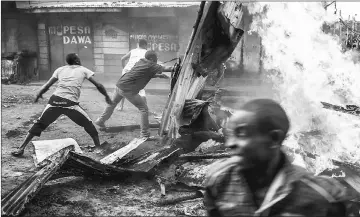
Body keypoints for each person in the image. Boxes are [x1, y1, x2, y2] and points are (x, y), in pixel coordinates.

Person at [204, 99, 351, 217]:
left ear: (274, 138)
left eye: (242, 133)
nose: (230, 144)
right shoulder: (218, 179)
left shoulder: (322, 195)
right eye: (231, 134)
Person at [11, 53, 112, 157]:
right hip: (69, 104)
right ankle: (99, 149)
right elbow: (98, 85)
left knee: (39, 124)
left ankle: (21, 148)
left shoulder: (60, 69)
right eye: (78, 57)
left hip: (54, 101)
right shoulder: (83, 69)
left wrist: (39, 94)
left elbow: (47, 85)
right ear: (77, 60)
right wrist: (106, 96)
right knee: (89, 125)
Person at [94, 50, 171, 139]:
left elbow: (142, 73)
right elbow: (167, 69)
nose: (157, 59)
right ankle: (144, 134)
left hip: (120, 85)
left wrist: (158, 76)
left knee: (112, 104)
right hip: (128, 89)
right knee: (144, 109)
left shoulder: (141, 61)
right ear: (151, 58)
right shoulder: (151, 64)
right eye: (156, 57)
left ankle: (101, 120)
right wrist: (177, 67)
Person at [117, 39, 148, 111]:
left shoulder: (133, 51)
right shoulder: (147, 52)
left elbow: (122, 59)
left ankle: (120, 106)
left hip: (126, 71)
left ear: (138, 44)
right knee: (141, 90)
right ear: (144, 45)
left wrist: (124, 68)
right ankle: (145, 108)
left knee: (122, 88)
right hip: (136, 72)